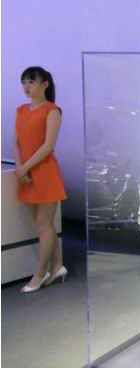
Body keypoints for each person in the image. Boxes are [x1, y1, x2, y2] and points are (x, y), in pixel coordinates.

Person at [15, 66, 68, 293]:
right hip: (25, 174)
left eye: (31, 82)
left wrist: (25, 167)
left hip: (45, 173)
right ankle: (57, 266)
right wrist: (20, 168)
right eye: (24, 82)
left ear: (44, 84)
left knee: (43, 224)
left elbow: (48, 146)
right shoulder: (20, 110)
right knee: (43, 225)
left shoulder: (52, 110)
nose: (27, 87)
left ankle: (40, 274)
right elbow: (18, 142)